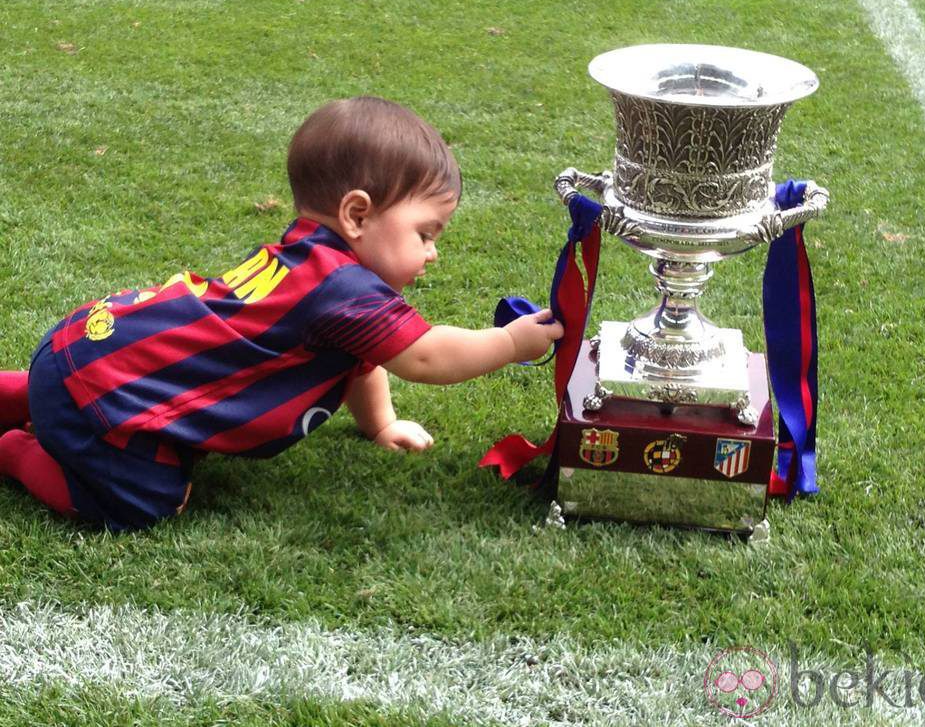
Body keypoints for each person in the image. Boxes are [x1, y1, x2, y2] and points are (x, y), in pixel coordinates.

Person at [0, 96, 563, 531]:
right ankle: (18, 451)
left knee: (78, 392)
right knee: (152, 501)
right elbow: (424, 355)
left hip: (90, 346)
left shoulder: (310, 261)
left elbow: (361, 360)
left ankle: (25, 396)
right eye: (425, 233)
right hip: (103, 395)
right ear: (357, 214)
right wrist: (511, 344)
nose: (433, 252)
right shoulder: (340, 289)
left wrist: (382, 424)